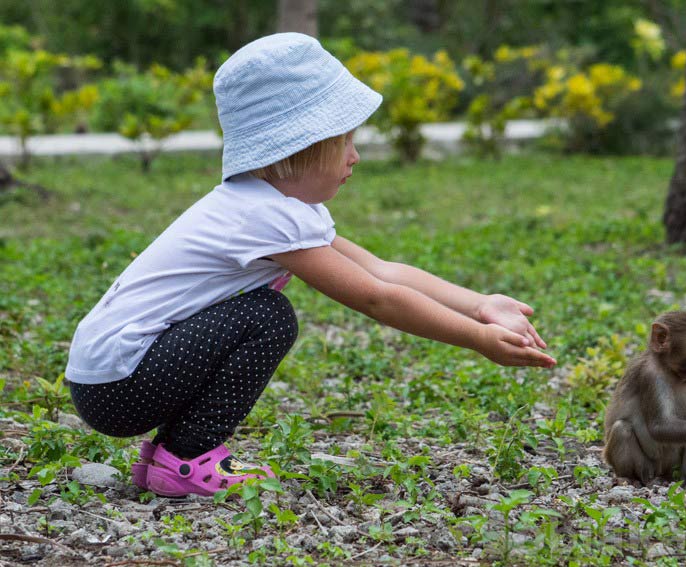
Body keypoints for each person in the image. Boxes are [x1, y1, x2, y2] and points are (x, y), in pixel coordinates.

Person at [64, 33, 556, 498]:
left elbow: (383, 271)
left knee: (260, 311)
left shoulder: (270, 207)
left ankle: (168, 458)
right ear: (296, 149)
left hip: (109, 378)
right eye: (344, 142)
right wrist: (477, 339)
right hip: (119, 384)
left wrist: (480, 305)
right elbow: (377, 298)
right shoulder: (264, 216)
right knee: (266, 315)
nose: (355, 157)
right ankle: (187, 459)